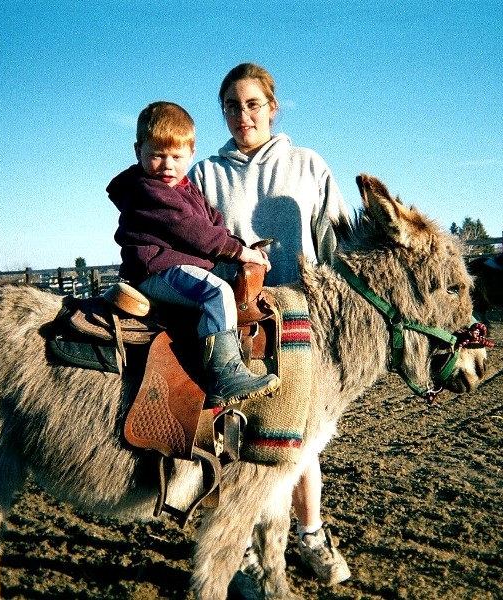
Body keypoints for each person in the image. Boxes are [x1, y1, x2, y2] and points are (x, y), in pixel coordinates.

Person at [190, 63, 352, 585]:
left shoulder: (308, 166)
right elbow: (188, 246)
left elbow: (340, 248)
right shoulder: (204, 174)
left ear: (272, 107)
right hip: (234, 326)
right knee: (231, 442)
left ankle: (310, 534)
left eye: (253, 104)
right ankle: (238, 551)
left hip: (303, 329)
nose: (243, 116)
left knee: (299, 444)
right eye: (232, 106)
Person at [106, 101, 280, 407]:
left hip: (173, 269)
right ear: (138, 152)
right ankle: (225, 374)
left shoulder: (187, 190)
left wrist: (242, 246)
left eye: (176, 156)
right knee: (216, 292)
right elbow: (192, 230)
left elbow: (213, 224)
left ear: (191, 154)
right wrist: (238, 253)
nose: (167, 165)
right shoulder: (150, 191)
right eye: (157, 155)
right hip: (155, 270)